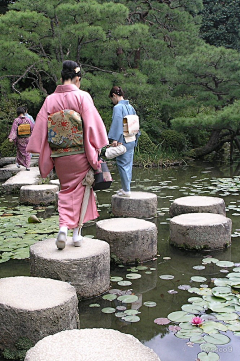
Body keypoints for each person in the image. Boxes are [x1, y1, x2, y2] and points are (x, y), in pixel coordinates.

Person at [27, 60, 108, 249]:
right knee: (82, 190)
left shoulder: (50, 100)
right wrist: (95, 153)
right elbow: (91, 126)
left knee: (66, 190)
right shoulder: (82, 97)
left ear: (62, 78)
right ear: (77, 78)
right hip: (80, 153)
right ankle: (76, 234)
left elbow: (41, 129)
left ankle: (63, 228)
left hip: (59, 156)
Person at [108, 86, 138, 197]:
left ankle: (126, 190)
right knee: (128, 164)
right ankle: (126, 187)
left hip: (123, 139)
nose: (113, 101)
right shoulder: (130, 107)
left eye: (112, 98)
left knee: (122, 164)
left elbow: (117, 123)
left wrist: (115, 139)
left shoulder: (118, 108)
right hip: (131, 137)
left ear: (114, 95)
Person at [8, 106, 34, 171]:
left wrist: (11, 138)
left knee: (20, 151)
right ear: (23, 112)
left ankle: (20, 163)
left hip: (20, 139)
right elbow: (32, 128)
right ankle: (28, 166)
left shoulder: (17, 120)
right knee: (27, 152)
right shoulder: (28, 119)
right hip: (28, 138)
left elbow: (14, 130)